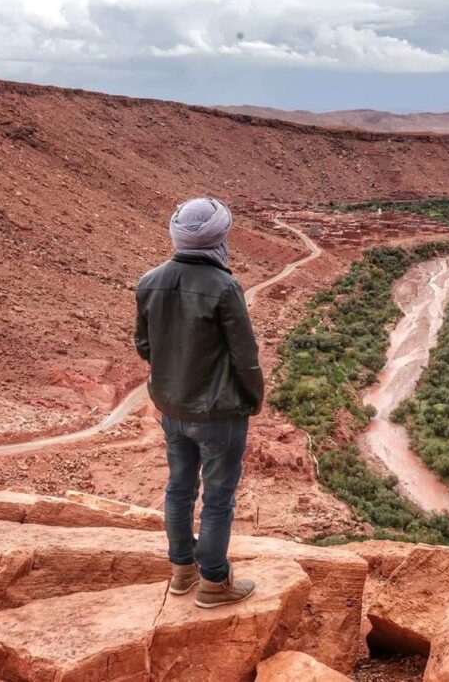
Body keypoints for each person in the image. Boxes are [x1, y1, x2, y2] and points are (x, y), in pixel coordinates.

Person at [134, 196, 264, 609]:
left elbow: (144, 345)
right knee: (218, 498)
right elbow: (245, 356)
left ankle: (181, 571)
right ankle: (213, 582)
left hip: (172, 409)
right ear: (219, 236)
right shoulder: (225, 287)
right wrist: (254, 398)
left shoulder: (149, 281)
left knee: (179, 489)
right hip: (219, 414)